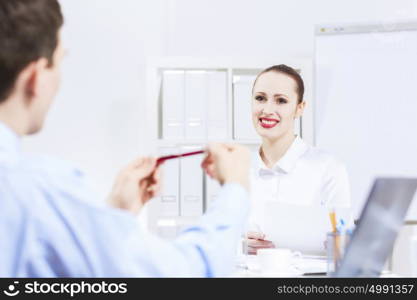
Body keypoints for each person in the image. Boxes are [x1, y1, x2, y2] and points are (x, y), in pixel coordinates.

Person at [0, 0, 251, 277]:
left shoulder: (38, 198)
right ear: (36, 77)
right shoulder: (42, 191)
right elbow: (189, 273)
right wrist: (234, 189)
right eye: (59, 62)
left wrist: (112, 213)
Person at [245, 64, 352, 255]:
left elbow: (344, 245)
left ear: (300, 108)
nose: (267, 109)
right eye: (260, 98)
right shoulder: (237, 170)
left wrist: (339, 244)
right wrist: (241, 245)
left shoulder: (328, 168)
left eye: (281, 101)